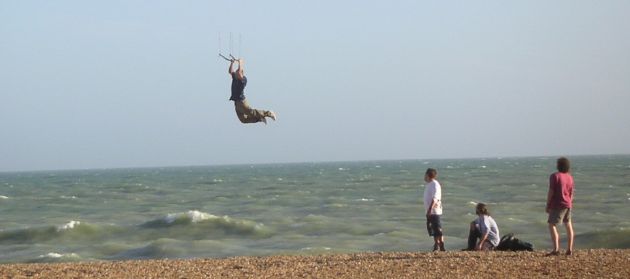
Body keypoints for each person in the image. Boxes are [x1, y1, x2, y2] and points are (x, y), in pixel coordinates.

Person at [228, 58, 276, 124]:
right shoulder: (235, 78)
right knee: (243, 120)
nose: (235, 74)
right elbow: (230, 71)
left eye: (237, 73)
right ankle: (260, 119)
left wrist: (240, 63)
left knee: (252, 112)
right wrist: (232, 63)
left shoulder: (243, 80)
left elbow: (239, 73)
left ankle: (268, 113)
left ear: (241, 73)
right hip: (236, 103)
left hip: (241, 102)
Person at [546, 157, 575, 256]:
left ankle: (556, 249)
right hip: (568, 204)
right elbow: (571, 193)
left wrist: (548, 204)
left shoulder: (555, 176)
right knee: (568, 225)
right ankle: (569, 249)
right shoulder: (570, 177)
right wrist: (570, 203)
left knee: (552, 224)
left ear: (558, 165)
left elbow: (551, 191)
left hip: (558, 204)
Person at [423, 168, 445, 251]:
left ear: (428, 175)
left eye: (425, 174)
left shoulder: (435, 184)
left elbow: (435, 198)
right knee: (433, 228)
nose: (424, 176)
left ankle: (441, 245)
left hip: (434, 211)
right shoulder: (429, 184)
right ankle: (436, 244)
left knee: (438, 228)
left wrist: (430, 209)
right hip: (430, 211)